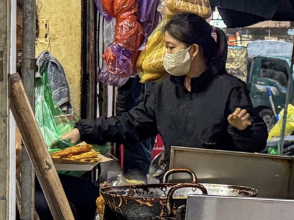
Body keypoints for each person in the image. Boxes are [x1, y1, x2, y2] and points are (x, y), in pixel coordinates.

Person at [66, 13, 266, 157]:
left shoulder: (230, 90)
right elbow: (132, 124)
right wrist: (84, 130)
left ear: (193, 50)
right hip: (174, 184)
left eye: (170, 47)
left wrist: (242, 129)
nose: (165, 55)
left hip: (216, 191)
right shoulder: (163, 88)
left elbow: (256, 142)